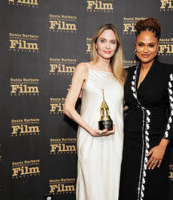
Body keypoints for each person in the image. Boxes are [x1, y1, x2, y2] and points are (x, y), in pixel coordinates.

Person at [119, 18, 173, 200]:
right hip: (129, 144)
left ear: (158, 47)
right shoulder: (127, 73)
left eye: (151, 45)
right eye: (141, 45)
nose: (145, 50)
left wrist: (163, 145)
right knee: (129, 189)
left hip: (155, 145)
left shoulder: (169, 72)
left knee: (154, 191)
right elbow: (117, 100)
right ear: (135, 47)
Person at [63, 24, 126, 200]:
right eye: (103, 41)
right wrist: (92, 130)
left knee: (111, 189)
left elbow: (120, 105)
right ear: (95, 44)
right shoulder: (84, 68)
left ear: (117, 46)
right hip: (91, 139)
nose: (107, 46)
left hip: (115, 141)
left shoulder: (121, 74)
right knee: (92, 190)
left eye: (112, 42)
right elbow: (68, 107)